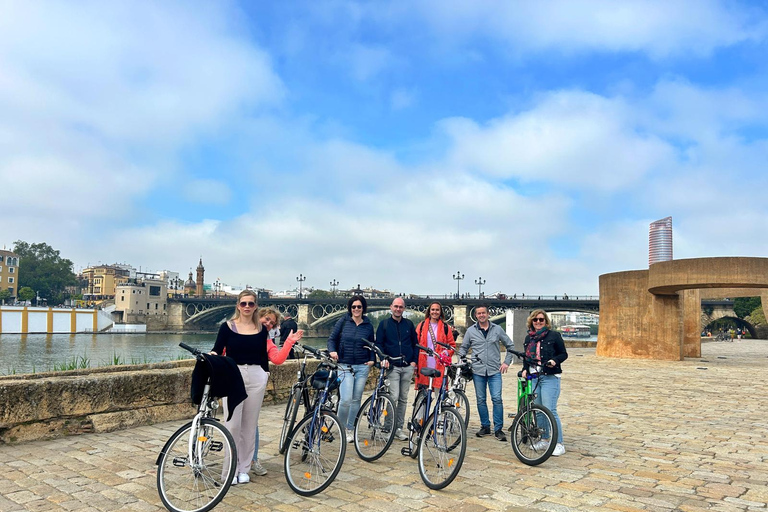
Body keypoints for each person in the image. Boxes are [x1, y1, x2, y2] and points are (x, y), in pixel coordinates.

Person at [210, 291, 303, 485]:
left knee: (249, 427)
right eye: (243, 303)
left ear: (255, 306)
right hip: (233, 375)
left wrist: (288, 343)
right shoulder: (227, 327)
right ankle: (230, 470)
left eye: (250, 304)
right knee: (233, 425)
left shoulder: (262, 331)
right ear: (238, 305)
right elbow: (217, 350)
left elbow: (273, 358)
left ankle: (244, 468)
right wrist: (209, 358)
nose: (246, 307)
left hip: (256, 376)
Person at [458, 304, 514, 442]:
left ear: (488, 314)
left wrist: (506, 362)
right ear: (476, 316)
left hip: (495, 370)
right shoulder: (471, 331)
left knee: (497, 399)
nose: (481, 315)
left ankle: (498, 429)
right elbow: (463, 348)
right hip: (478, 370)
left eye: (484, 313)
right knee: (481, 400)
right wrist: (462, 362)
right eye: (479, 313)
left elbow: (510, 345)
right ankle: (485, 426)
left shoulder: (497, 329)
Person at [328, 295, 375, 442]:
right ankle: (341, 427)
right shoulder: (343, 322)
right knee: (346, 399)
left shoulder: (368, 325)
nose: (356, 309)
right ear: (350, 308)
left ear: (363, 308)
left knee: (356, 400)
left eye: (359, 307)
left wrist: (372, 360)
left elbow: (372, 345)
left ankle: (350, 428)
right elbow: (332, 339)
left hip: (362, 366)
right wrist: (332, 351)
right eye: (353, 306)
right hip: (344, 365)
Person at [522, 309, 568, 456]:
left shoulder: (554, 335)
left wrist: (554, 360)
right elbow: (526, 358)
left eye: (541, 320)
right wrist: (524, 369)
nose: (538, 322)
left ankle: (559, 443)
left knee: (550, 410)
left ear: (546, 321)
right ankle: (545, 439)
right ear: (531, 322)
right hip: (535, 376)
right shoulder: (529, 338)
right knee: (539, 411)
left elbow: (563, 353)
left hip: (550, 377)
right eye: (535, 320)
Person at [375, 297, 418, 441]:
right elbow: (379, 344)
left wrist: (413, 362)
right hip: (392, 366)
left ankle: (398, 428)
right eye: (396, 306)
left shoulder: (409, 324)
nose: (398, 309)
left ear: (404, 309)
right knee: (393, 397)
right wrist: (383, 358)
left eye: (401, 307)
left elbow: (415, 344)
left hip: (407, 366)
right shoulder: (384, 324)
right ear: (391, 307)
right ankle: (388, 428)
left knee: (403, 399)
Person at [249, 307, 282, 477]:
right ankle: (237, 459)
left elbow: (277, 359)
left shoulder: (267, 340)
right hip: (235, 378)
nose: (268, 324)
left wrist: (290, 342)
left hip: (256, 381)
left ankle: (253, 460)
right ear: (259, 316)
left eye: (272, 323)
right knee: (234, 422)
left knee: (251, 422)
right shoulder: (240, 331)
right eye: (267, 319)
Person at [414, 301, 455, 393]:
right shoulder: (421, 326)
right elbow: (415, 344)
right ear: (429, 311)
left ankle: (439, 408)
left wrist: (445, 353)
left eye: (437, 310)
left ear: (440, 312)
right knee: (422, 395)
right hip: (423, 363)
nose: (435, 312)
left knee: (439, 394)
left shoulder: (446, 327)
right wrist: (414, 363)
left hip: (439, 364)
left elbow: (451, 346)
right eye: (433, 310)